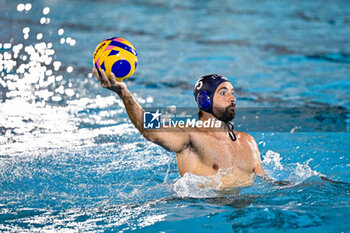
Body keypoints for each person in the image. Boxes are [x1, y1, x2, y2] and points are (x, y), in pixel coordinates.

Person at [93, 68, 265, 188]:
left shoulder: (248, 141)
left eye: (233, 92)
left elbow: (265, 182)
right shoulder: (189, 135)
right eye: (223, 93)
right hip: (207, 212)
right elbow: (151, 131)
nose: (232, 98)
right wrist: (124, 92)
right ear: (205, 100)